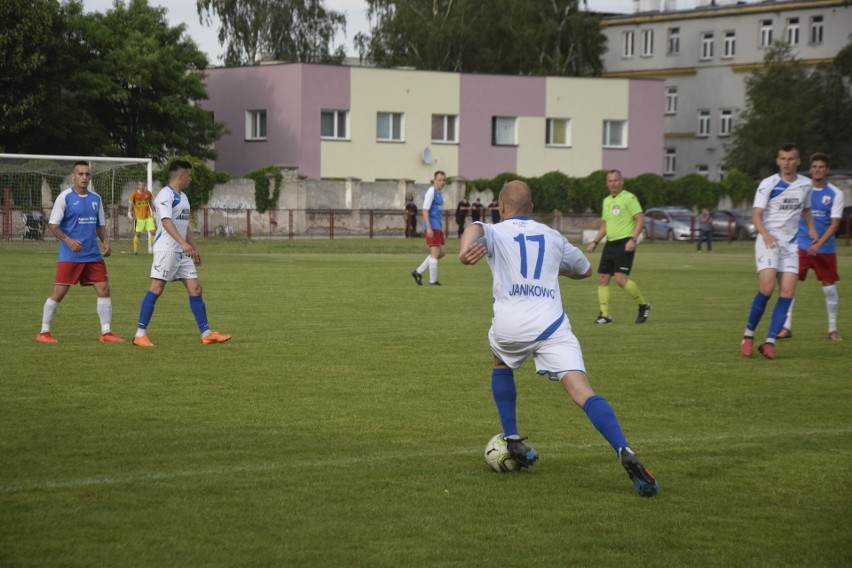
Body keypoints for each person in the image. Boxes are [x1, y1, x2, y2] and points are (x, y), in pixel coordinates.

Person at [459, 180, 658, 497]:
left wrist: (463, 251)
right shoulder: (553, 236)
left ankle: (512, 440)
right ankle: (624, 450)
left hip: (511, 325)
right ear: (533, 209)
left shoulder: (495, 230)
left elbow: (475, 228)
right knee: (582, 390)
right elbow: (584, 271)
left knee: (500, 361)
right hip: (552, 325)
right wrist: (552, 268)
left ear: (501, 207)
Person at [132, 160, 231, 347]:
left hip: (182, 250)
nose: (191, 179)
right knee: (156, 289)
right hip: (167, 250)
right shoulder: (165, 195)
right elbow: (167, 221)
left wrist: (193, 247)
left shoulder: (183, 197)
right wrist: (183, 243)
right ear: (181, 176)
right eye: (189, 176)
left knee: (195, 289)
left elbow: (184, 227)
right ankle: (139, 334)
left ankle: (206, 333)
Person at [740, 143, 816, 360]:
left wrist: (810, 227)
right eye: (783, 159)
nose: (787, 163)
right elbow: (756, 214)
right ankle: (748, 335)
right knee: (766, 289)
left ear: (798, 161)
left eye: (791, 159)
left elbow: (806, 209)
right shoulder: (768, 184)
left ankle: (770, 342)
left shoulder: (805, 184)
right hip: (768, 241)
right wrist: (765, 234)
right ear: (778, 161)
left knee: (788, 293)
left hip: (790, 245)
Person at [36, 161, 124, 344]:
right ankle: (44, 332)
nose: (84, 177)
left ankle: (106, 332)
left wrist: (106, 242)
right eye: (80, 174)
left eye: (87, 174)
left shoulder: (96, 199)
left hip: (92, 254)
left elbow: (100, 225)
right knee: (59, 292)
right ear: (73, 176)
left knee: (104, 289)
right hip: (70, 255)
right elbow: (53, 225)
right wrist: (68, 240)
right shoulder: (65, 197)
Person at [778, 152, 844, 341]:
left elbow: (835, 224)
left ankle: (832, 329)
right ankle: (786, 326)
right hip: (801, 247)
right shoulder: (801, 189)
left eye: (821, 167)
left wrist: (819, 244)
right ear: (810, 169)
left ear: (827, 170)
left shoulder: (835, 194)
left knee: (829, 287)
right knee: (789, 284)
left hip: (825, 249)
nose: (817, 170)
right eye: (814, 167)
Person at [586, 170, 651, 324]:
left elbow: (640, 219)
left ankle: (643, 305)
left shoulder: (629, 198)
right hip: (610, 243)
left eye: (616, 180)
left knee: (620, 279)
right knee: (602, 278)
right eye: (610, 181)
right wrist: (595, 241)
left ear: (622, 182)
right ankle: (605, 316)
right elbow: (605, 225)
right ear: (606, 183)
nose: (613, 183)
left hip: (625, 242)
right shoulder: (606, 201)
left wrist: (633, 239)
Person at [411, 171, 446, 286]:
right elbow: (425, 210)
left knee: (441, 252)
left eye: (443, 180)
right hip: (432, 225)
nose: (442, 182)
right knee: (435, 252)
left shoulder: (439, 193)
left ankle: (418, 272)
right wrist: (429, 228)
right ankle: (433, 281)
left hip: (437, 225)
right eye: (440, 180)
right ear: (435, 180)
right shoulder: (431, 192)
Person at [128, 180, 156, 255]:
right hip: (138, 218)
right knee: (137, 234)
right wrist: (129, 212)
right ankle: (135, 251)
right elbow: (130, 203)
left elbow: (150, 202)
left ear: (145, 185)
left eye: (143, 185)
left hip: (148, 217)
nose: (142, 186)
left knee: (153, 232)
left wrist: (153, 211)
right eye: (140, 185)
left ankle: (156, 249)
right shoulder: (134, 194)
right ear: (138, 186)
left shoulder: (148, 193)